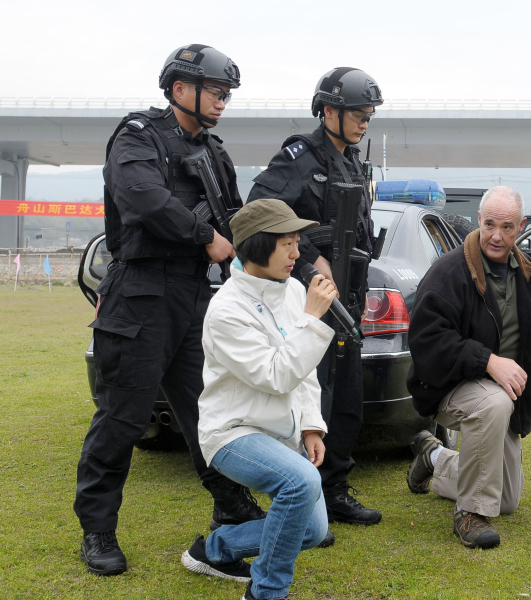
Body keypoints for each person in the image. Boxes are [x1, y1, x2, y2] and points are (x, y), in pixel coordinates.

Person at [74, 44, 265, 577]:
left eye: (227, 95)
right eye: (215, 92)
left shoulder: (215, 152)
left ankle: (231, 506)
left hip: (195, 296)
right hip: (140, 293)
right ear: (180, 88)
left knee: (212, 412)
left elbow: (234, 214)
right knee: (123, 417)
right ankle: (97, 529)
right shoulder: (139, 136)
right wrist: (205, 235)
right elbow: (142, 199)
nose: (222, 102)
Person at [181, 198, 337, 600]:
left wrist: (311, 425)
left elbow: (303, 373)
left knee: (311, 530)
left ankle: (214, 550)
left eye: (297, 242)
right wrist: (311, 321)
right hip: (232, 432)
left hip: (281, 430)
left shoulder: (294, 290)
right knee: (301, 482)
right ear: (257, 246)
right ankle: (266, 592)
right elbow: (276, 374)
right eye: (287, 244)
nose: (297, 254)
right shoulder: (226, 309)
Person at [247, 67, 383, 526]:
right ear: (328, 111)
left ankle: (335, 490)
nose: (365, 122)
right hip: (310, 299)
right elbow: (259, 209)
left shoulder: (353, 161)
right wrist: (308, 261)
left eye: (369, 115)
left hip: (349, 297)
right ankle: (304, 500)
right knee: (312, 399)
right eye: (358, 114)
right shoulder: (299, 157)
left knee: (346, 401)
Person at [404, 187, 531, 549]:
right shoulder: (448, 272)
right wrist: (489, 361)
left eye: (507, 227)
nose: (496, 235)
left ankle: (434, 457)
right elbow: (428, 341)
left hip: (500, 395)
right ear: (478, 220)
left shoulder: (526, 270)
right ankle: (470, 513)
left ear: (520, 226)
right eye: (489, 224)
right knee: (494, 401)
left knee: (505, 499)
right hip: (446, 385)